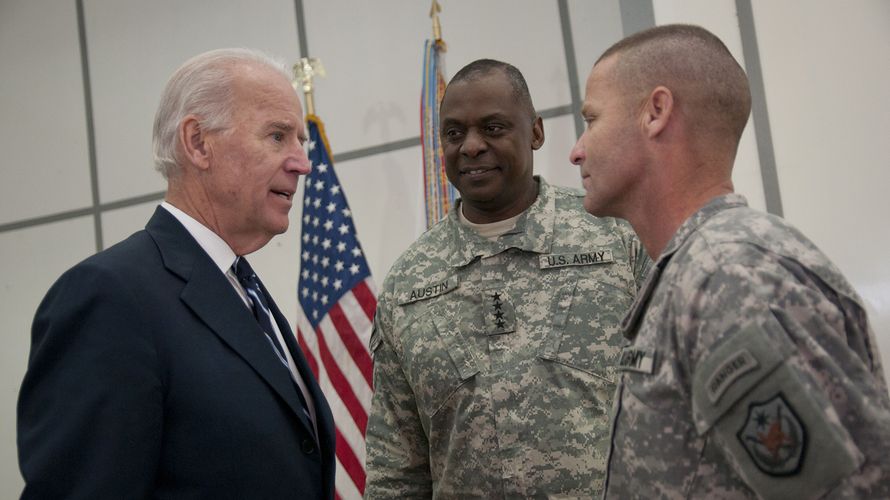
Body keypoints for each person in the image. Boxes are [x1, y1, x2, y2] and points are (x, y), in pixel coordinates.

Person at [570, 24, 890, 499]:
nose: (577, 150)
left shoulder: (728, 277)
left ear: (655, 112)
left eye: (592, 120)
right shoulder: (696, 272)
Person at [18, 48, 336, 499]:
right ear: (198, 143)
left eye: (299, 140)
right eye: (278, 136)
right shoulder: (109, 298)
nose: (302, 162)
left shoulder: (243, 289)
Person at [364, 59, 650, 498]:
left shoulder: (615, 234)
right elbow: (396, 466)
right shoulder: (407, 284)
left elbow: (676, 401)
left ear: (535, 132)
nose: (471, 147)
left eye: (493, 128)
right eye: (454, 133)